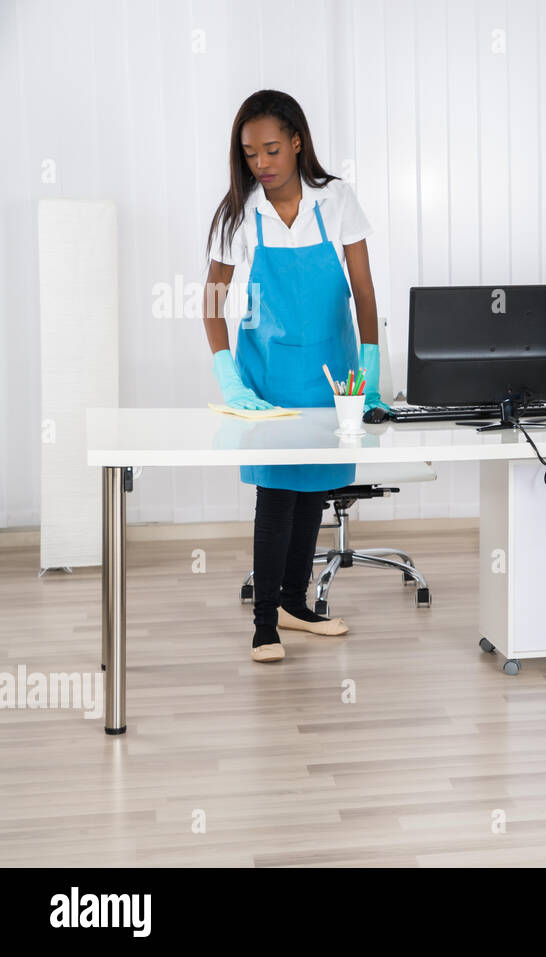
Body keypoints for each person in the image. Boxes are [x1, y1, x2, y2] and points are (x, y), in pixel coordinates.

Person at [202, 90, 389, 663]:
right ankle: (264, 625)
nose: (263, 162)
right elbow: (213, 300)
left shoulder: (335, 200)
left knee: (313, 489)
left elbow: (362, 290)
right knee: (276, 494)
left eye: (273, 149)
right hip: (268, 379)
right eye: (251, 152)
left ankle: (296, 604)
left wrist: (372, 368)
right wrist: (228, 377)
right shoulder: (241, 213)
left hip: (331, 374)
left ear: (298, 142)